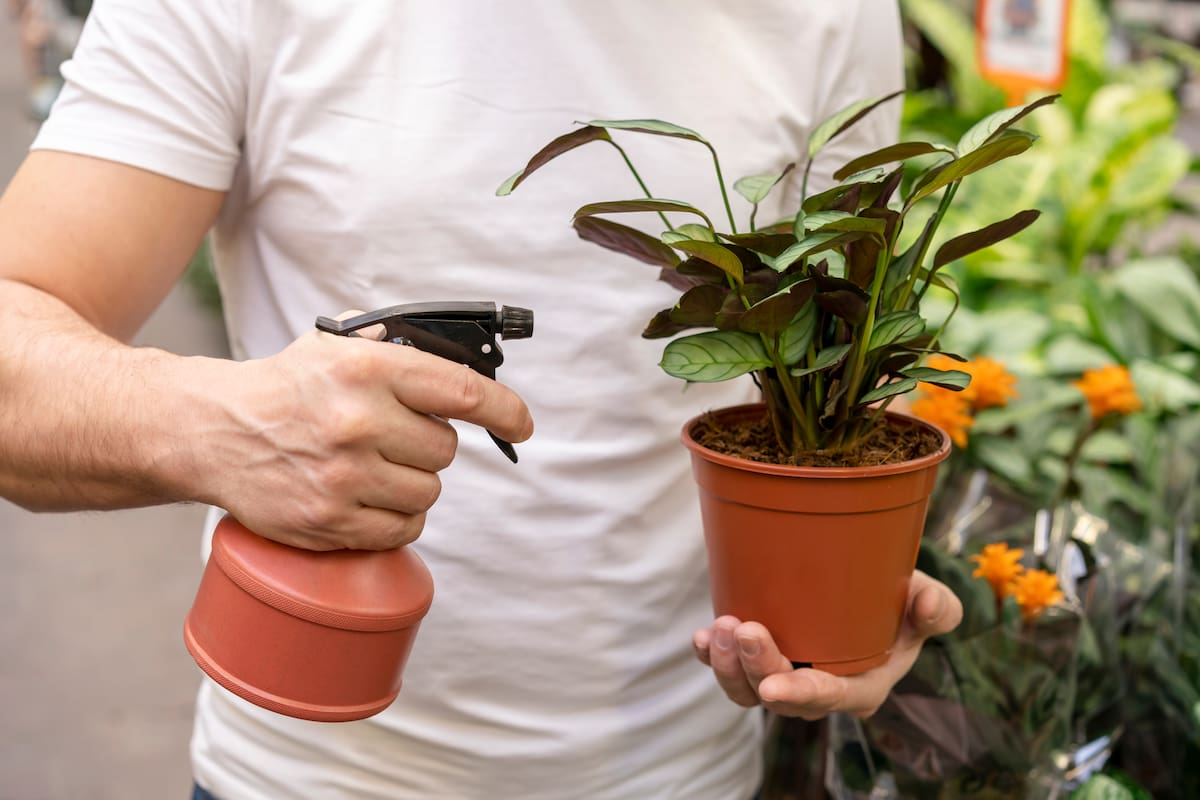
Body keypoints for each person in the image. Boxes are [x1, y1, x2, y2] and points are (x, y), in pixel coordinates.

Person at [0, 1, 963, 798]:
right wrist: (220, 425)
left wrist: (848, 612)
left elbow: (832, 377)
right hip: (309, 774)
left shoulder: (834, 14)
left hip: (685, 774)